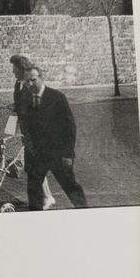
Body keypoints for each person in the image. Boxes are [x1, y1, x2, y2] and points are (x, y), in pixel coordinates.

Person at [21, 65, 87, 211]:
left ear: (41, 78)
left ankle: (84, 212)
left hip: (58, 154)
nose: (30, 84)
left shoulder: (57, 98)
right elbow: (28, 125)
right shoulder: (27, 100)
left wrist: (68, 154)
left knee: (70, 186)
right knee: (34, 188)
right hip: (37, 155)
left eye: (33, 80)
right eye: (27, 82)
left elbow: (70, 127)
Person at [10, 54, 56, 210]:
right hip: (26, 131)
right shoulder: (19, 84)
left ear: (20, 68)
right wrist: (15, 107)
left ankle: (47, 197)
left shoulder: (30, 84)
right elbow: (21, 103)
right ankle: (46, 196)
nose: (12, 71)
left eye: (14, 68)